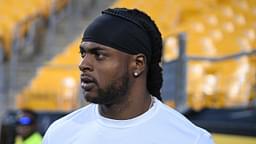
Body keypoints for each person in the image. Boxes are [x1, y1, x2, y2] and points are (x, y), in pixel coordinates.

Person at [43, 8, 215, 144]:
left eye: (99, 55)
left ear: (138, 64)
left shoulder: (190, 140)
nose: (83, 65)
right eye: (83, 54)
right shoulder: (60, 133)